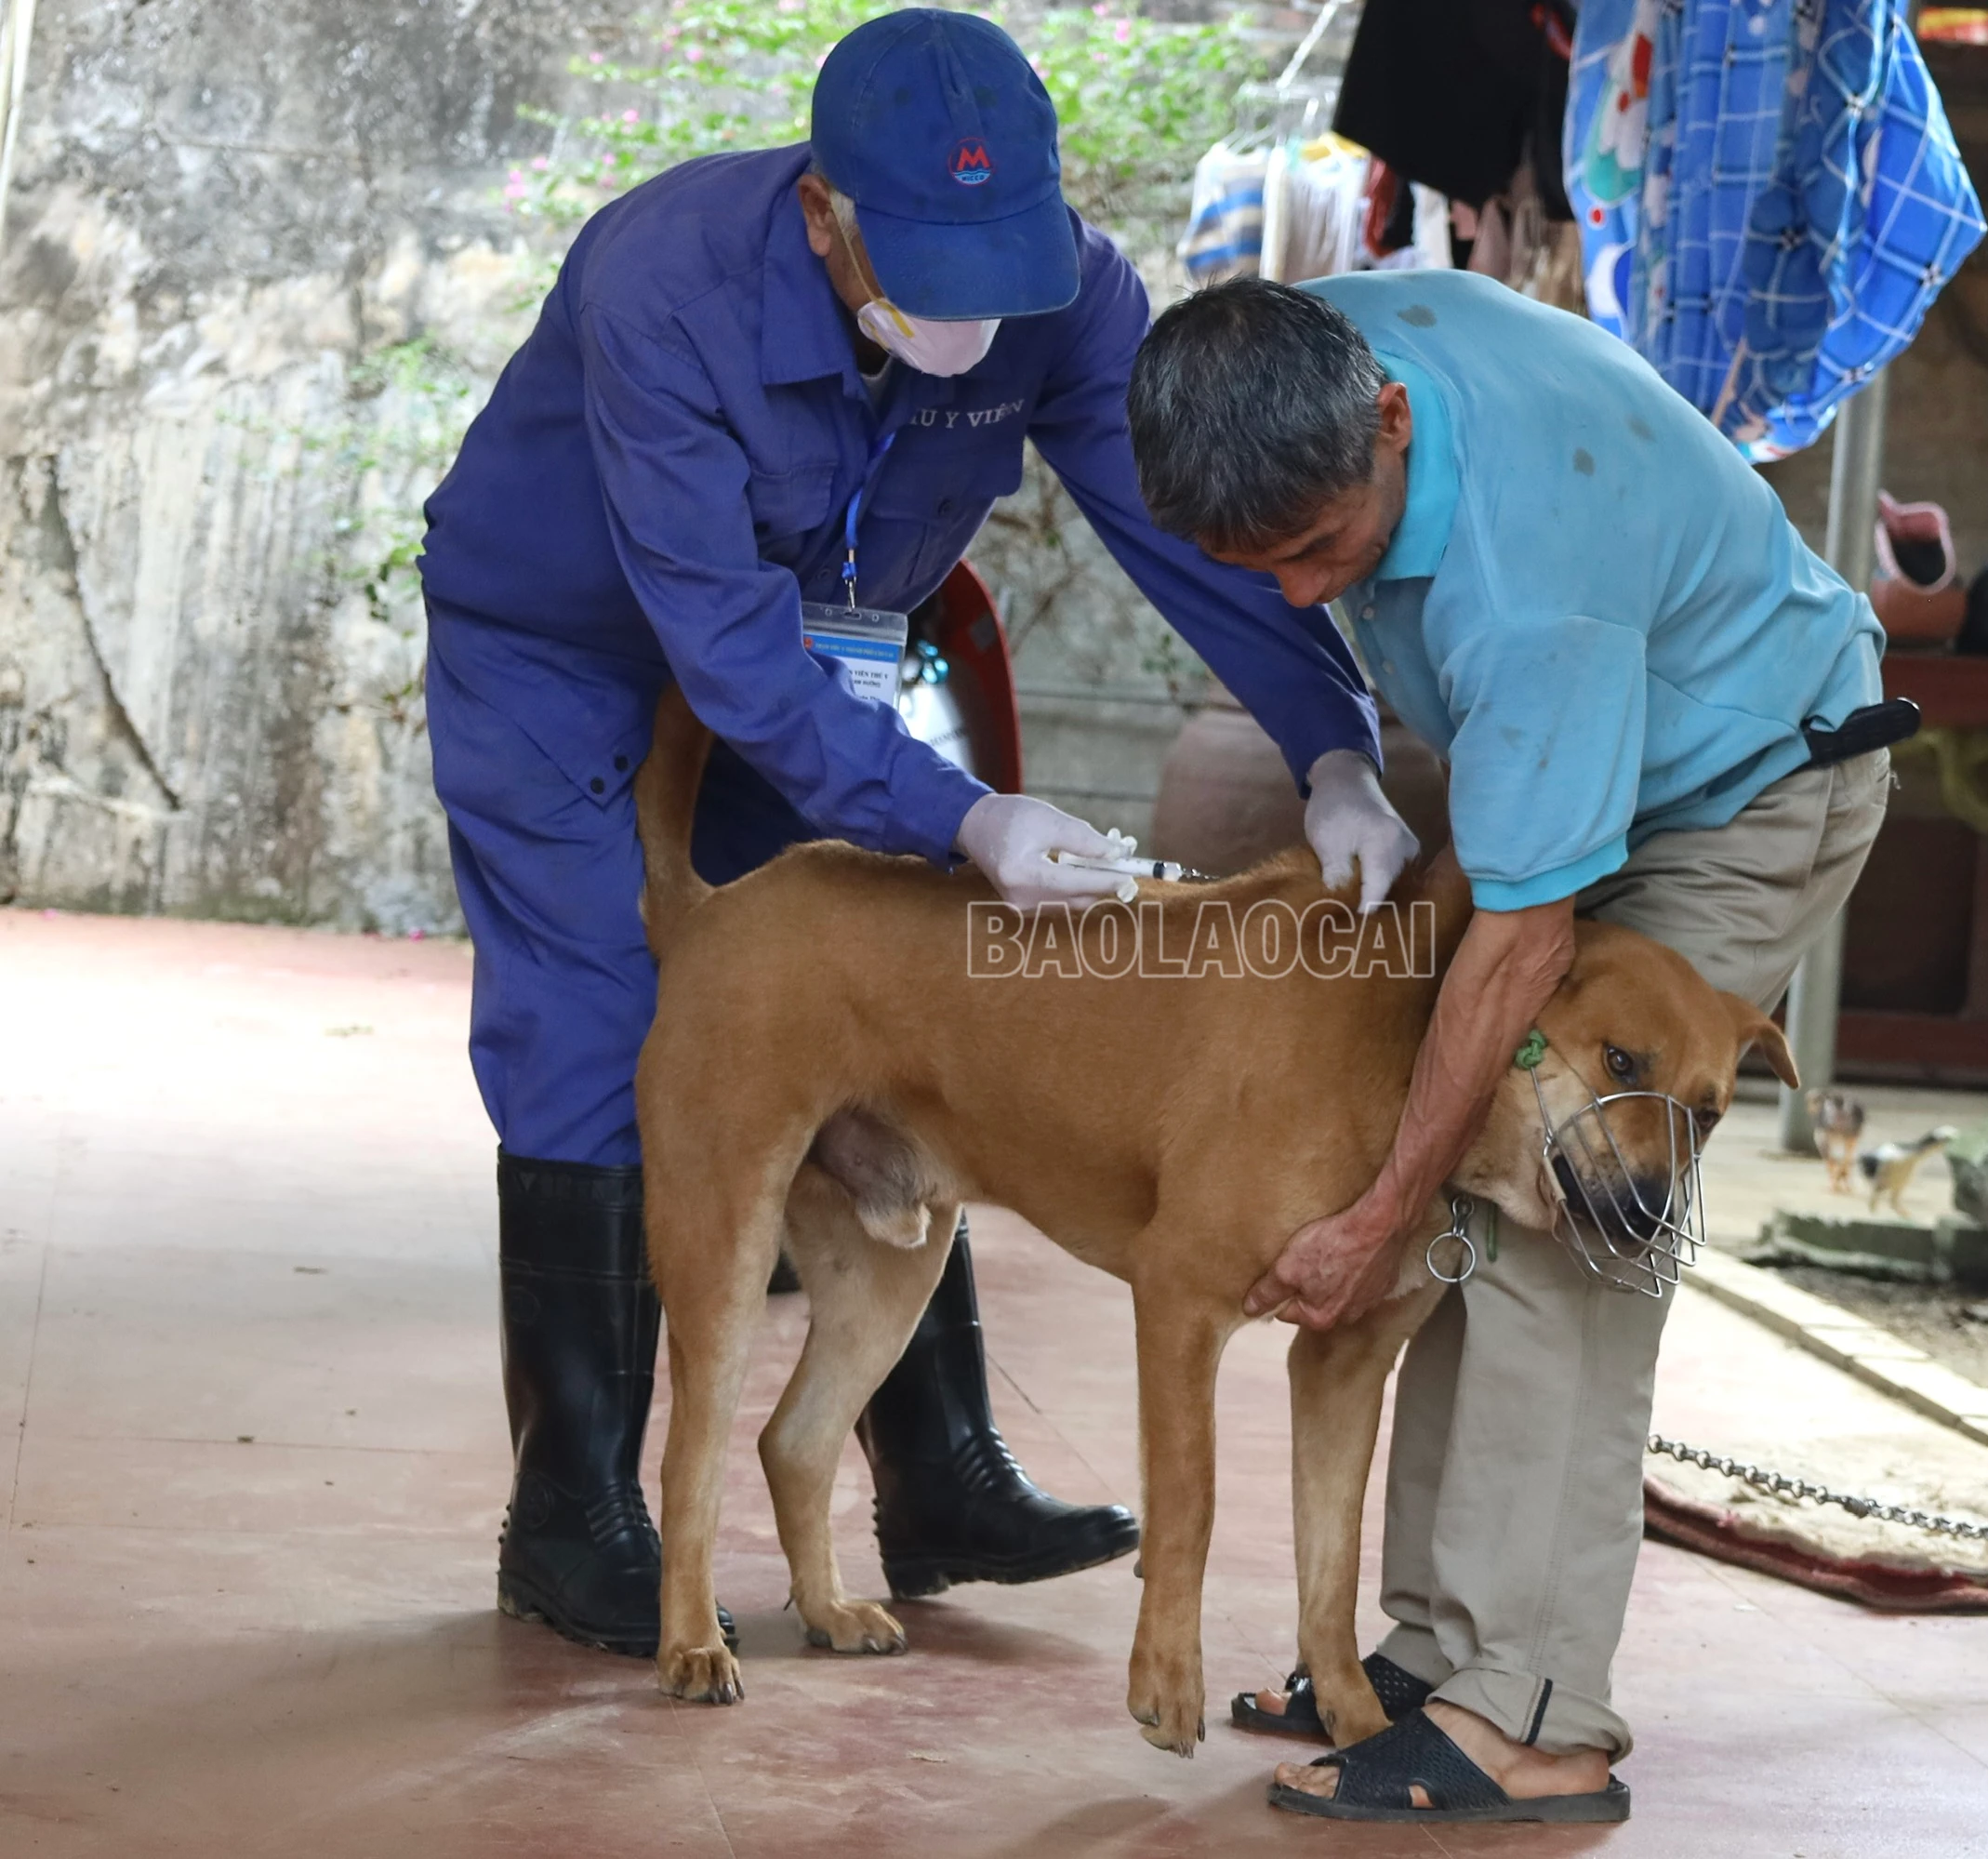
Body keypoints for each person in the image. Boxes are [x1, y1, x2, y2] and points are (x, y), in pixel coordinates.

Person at [416, 10, 1420, 1660]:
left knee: (909, 982)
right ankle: (577, 1510)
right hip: (571, 652)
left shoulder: (1071, 296)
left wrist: (1335, 753)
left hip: (816, 653)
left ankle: (938, 1468)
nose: (973, 308)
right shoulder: (658, 283)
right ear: (825, 213)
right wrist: (964, 812)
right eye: (929, 264)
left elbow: (1195, 541)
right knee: (606, 1005)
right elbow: (720, 652)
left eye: (999, 260)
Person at [1125, 273, 1896, 1824]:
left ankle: (1534, 1714)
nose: (1292, 595)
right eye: (1248, 565)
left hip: (1739, 785)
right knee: (1472, 1189)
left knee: (1568, 1211)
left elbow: (1520, 938)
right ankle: (1435, 1656)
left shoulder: (1530, 580)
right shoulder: (1307, 350)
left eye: (1317, 554)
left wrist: (1371, 1211)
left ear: (1390, 422)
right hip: (1584, 757)